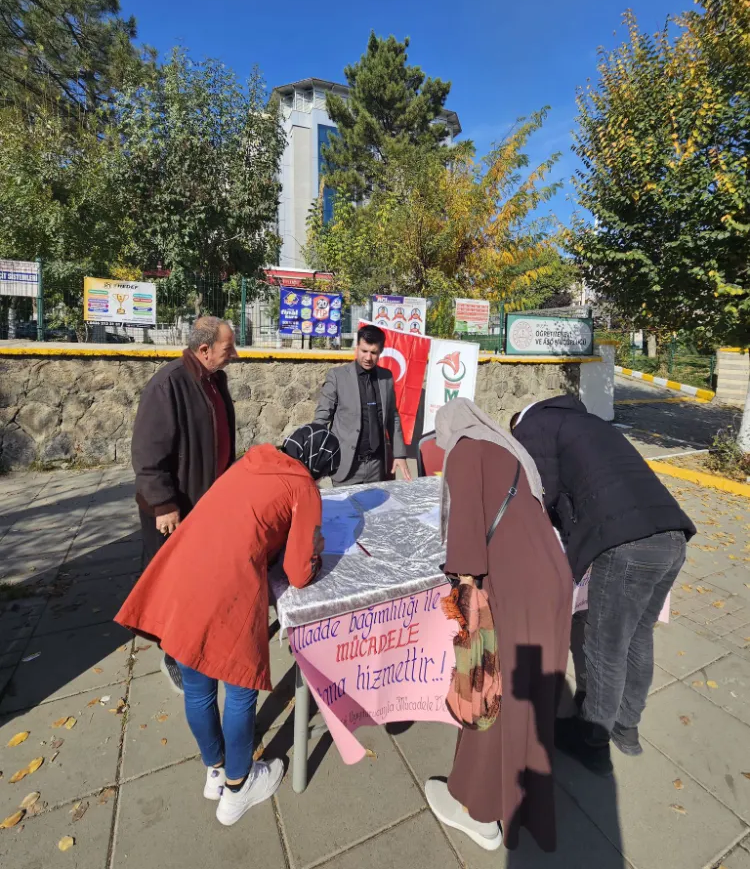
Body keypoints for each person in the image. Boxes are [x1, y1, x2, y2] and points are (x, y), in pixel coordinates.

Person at [115, 424, 340, 826]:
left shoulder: (252, 460)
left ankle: (215, 771)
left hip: (182, 572)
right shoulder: (303, 486)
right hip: (226, 586)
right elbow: (298, 571)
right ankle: (238, 788)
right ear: (316, 468)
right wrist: (315, 552)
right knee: (240, 690)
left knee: (198, 688)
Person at [511, 395, 696, 775]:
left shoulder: (533, 427)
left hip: (626, 544)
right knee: (638, 635)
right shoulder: (588, 423)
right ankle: (626, 730)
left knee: (605, 645)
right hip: (672, 535)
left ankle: (591, 739)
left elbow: (537, 496)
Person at [425, 399, 572, 853]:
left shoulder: (466, 451)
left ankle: (478, 810)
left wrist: (465, 597)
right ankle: (527, 806)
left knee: (489, 689)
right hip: (552, 577)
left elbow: (467, 545)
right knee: (531, 697)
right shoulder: (504, 447)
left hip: (517, 586)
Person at [131, 316, 237, 693]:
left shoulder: (213, 380)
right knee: (171, 589)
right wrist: (163, 504)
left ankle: (196, 641)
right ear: (204, 349)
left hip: (205, 504)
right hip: (174, 510)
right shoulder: (168, 384)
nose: (234, 355)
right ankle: (172, 656)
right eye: (228, 349)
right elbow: (147, 455)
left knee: (198, 585)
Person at [314, 323, 412, 486]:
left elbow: (392, 418)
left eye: (373, 352)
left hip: (377, 466)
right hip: (346, 467)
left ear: (380, 352)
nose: (368, 357)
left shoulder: (386, 378)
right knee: (346, 512)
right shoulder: (337, 377)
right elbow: (322, 419)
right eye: (364, 351)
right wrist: (316, 460)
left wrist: (399, 454)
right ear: (356, 347)